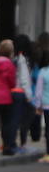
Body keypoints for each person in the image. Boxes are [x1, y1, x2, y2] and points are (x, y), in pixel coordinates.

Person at [12, 33, 36, 153]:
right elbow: (24, 79)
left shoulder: (13, 58)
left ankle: (12, 143)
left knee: (14, 120)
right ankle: (22, 144)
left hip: (12, 92)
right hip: (21, 93)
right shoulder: (23, 60)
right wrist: (29, 97)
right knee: (24, 121)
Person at [35, 33, 49, 162]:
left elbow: (38, 91)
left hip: (46, 105)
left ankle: (48, 154)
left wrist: (37, 105)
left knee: (48, 131)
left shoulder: (43, 72)